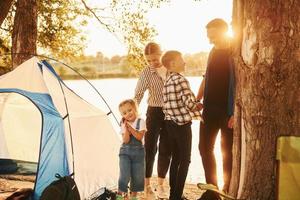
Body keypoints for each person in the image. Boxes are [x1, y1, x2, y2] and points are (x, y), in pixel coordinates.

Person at [196, 18, 235, 194]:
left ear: (223, 32)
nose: (210, 39)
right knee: (204, 148)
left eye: (213, 35)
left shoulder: (234, 52)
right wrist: (197, 99)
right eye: (208, 36)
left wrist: (234, 113)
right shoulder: (212, 51)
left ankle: (227, 189)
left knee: (227, 152)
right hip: (209, 110)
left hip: (227, 113)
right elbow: (207, 77)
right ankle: (213, 190)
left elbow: (240, 85)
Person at [161, 50, 202, 200]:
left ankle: (174, 195)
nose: (184, 62)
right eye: (181, 59)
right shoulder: (181, 80)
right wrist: (199, 105)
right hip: (182, 125)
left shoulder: (168, 81)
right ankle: (177, 196)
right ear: (172, 63)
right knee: (185, 160)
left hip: (170, 124)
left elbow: (168, 104)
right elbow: (189, 104)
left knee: (176, 159)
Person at [134, 42, 171, 199]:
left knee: (166, 149)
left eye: (155, 59)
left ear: (161, 53)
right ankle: (147, 185)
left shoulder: (170, 69)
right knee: (150, 148)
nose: (152, 63)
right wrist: (132, 115)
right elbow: (138, 95)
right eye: (148, 60)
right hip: (154, 112)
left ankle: (161, 186)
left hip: (170, 113)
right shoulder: (146, 72)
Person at [117, 99, 146, 200]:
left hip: (138, 153)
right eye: (124, 113)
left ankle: (134, 196)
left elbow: (139, 137)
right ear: (122, 115)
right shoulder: (123, 123)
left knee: (137, 177)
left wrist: (131, 128)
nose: (128, 114)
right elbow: (126, 140)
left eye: (130, 110)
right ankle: (120, 195)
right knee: (124, 174)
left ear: (135, 109)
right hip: (125, 152)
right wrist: (126, 130)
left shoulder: (141, 121)